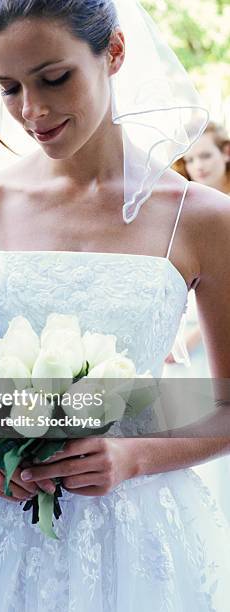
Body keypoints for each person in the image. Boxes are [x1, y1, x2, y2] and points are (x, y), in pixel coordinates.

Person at [0, 1, 230, 610]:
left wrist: (134, 456)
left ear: (113, 52)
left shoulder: (204, 220)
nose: (31, 110)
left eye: (53, 78)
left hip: (137, 530)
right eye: (8, 88)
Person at [164, 121, 230, 520]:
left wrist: (188, 342)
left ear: (225, 152)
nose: (198, 165)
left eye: (205, 155)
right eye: (190, 159)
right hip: (185, 342)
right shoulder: (185, 210)